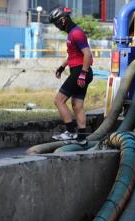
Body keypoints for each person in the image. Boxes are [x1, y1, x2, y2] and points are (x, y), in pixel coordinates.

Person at [49, 7, 94, 145]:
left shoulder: (76, 33)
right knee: (77, 105)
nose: (57, 27)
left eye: (57, 24)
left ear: (63, 20)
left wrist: (82, 74)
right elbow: (73, 55)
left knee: (59, 100)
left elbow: (87, 54)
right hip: (79, 70)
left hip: (80, 71)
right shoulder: (72, 33)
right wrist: (62, 67)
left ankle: (69, 132)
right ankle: (81, 138)